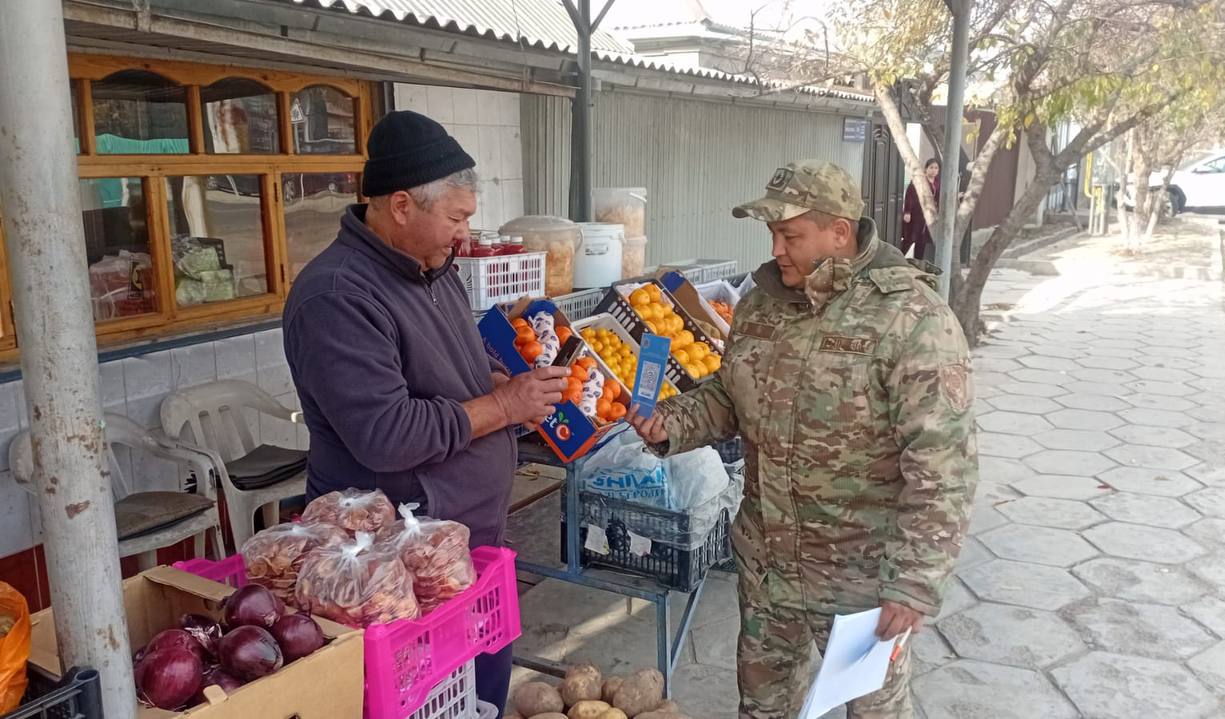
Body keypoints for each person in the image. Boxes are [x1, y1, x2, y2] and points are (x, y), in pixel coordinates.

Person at [627, 160, 977, 718]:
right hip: (769, 568)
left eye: (790, 234)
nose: (777, 248)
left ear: (839, 232)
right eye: (772, 233)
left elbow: (944, 464)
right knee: (763, 708)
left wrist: (914, 580)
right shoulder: (764, 304)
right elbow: (732, 394)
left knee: (875, 711)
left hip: (860, 580)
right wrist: (675, 422)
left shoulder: (912, 318)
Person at [283, 110, 569, 713]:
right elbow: (388, 435)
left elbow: (442, 379)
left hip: (463, 538)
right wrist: (502, 404)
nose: (465, 235)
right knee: (424, 697)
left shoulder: (431, 269)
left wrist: (499, 387)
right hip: (397, 564)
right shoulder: (337, 296)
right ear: (403, 206)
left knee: (478, 693)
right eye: (457, 218)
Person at [901, 158, 941, 260]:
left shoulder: (937, 182)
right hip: (916, 214)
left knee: (922, 242)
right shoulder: (919, 180)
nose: (934, 170)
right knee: (909, 239)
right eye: (931, 167)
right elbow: (909, 196)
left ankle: (917, 264)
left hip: (928, 217)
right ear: (926, 169)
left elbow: (938, 198)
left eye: (936, 168)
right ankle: (896, 259)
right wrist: (907, 211)